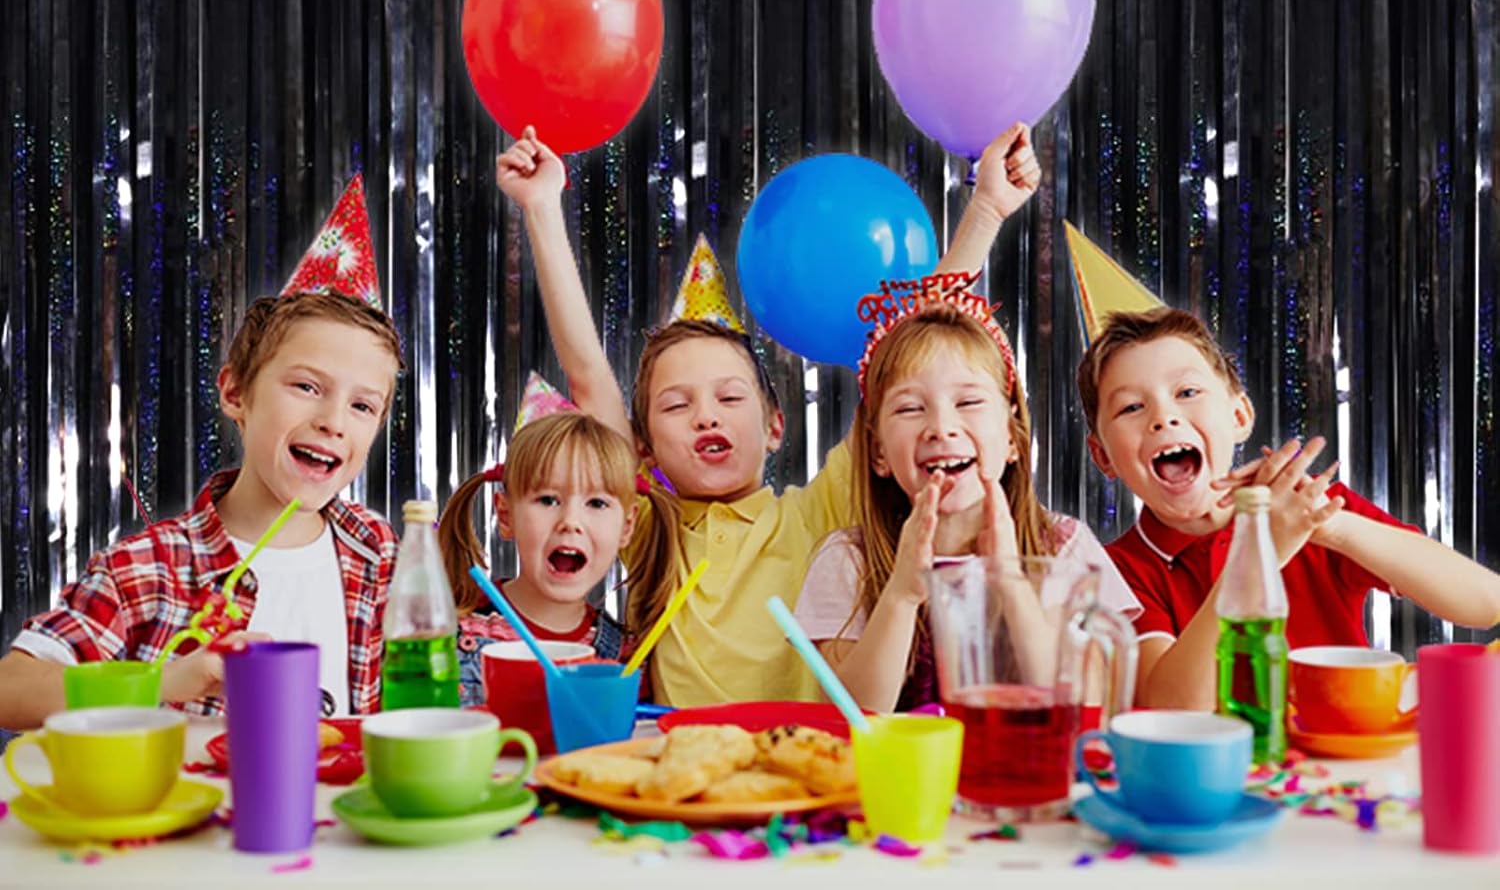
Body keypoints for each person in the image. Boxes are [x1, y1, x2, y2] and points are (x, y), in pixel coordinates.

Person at [494, 122, 1041, 705]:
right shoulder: (649, 527)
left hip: (804, 753)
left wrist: (986, 211)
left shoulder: (816, 515)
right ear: (643, 447)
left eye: (730, 398)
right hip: (680, 757)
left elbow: (904, 357)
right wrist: (541, 208)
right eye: (677, 405)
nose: (706, 417)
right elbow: (588, 375)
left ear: (775, 425)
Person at [0, 179, 402, 729]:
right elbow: (11, 690)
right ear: (235, 393)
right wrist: (164, 681)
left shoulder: (379, 552)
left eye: (362, 406)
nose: (333, 421)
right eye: (307, 386)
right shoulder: (149, 567)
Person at [1077, 305, 1500, 710]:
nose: (1163, 417)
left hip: (1346, 755)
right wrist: (1258, 556)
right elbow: (1174, 707)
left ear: (1239, 415)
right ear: (1103, 456)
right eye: (1131, 407)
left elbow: (1485, 603)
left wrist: (1328, 526)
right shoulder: (1114, 571)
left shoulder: (1310, 508)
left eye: (1187, 392)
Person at [793, 284, 1138, 711]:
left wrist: (1009, 579)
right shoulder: (849, 559)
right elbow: (852, 715)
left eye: (969, 401)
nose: (942, 427)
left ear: (1011, 436)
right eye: (909, 408)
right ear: (878, 451)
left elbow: (1082, 702)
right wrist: (901, 593)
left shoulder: (1065, 547)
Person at [438, 410, 636, 707]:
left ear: (627, 527)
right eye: (548, 500)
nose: (570, 522)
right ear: (506, 515)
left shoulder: (627, 658)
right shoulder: (447, 636)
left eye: (596, 503)